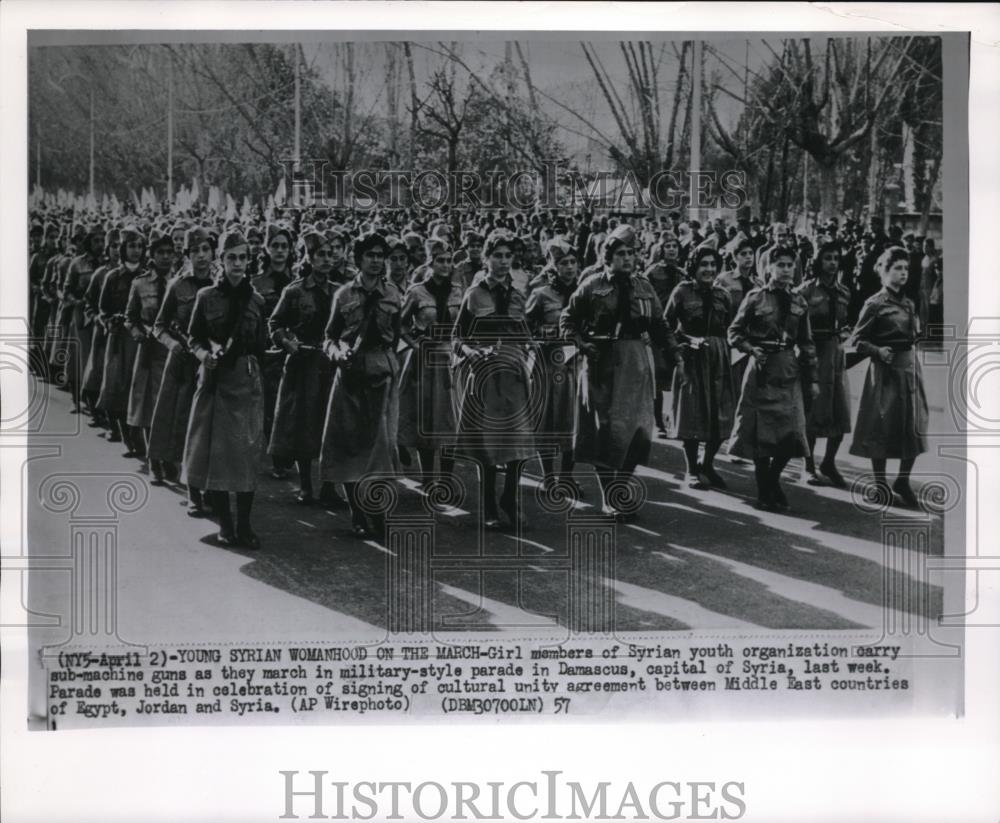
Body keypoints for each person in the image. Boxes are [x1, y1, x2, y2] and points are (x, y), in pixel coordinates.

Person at [560, 225, 682, 519]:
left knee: (639, 432)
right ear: (608, 257)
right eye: (621, 254)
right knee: (607, 432)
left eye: (631, 253)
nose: (627, 259)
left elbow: (660, 325)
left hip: (637, 363)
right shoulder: (592, 285)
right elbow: (567, 319)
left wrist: (676, 355)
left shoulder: (644, 286)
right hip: (602, 365)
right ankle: (610, 498)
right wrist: (582, 344)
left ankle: (620, 487)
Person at [182, 230, 268, 549]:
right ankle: (226, 525)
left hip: (246, 383)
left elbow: (260, 346)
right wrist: (206, 356)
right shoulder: (206, 298)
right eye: (231, 257)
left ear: (249, 260)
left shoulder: (257, 301)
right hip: (216, 383)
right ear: (221, 260)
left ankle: (244, 525)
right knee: (217, 455)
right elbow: (193, 338)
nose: (237, 263)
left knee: (245, 455)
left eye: (243, 257)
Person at [452, 228, 537, 529]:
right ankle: (489, 506)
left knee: (517, 444)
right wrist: (470, 352)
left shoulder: (518, 295)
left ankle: (509, 500)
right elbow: (457, 337)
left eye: (508, 256)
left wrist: (530, 350)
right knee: (487, 445)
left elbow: (525, 333)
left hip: (513, 376)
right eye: (497, 255)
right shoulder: (473, 295)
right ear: (486, 259)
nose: (503, 261)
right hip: (485, 376)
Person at [320, 232, 402, 538]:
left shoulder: (393, 294)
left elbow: (395, 335)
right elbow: (329, 336)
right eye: (371, 255)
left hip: (381, 375)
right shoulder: (344, 295)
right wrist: (338, 352)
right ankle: (356, 511)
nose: (377, 260)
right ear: (359, 259)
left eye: (381, 255)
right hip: (351, 375)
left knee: (381, 446)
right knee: (350, 445)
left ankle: (378, 512)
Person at [727, 245, 818, 511]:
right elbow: (734, 332)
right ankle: (765, 490)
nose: (787, 270)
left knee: (790, 434)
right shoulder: (756, 298)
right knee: (761, 435)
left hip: (788, 370)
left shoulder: (800, 301)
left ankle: (772, 481)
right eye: (781, 265)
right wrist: (751, 349)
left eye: (791, 265)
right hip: (761, 369)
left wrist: (812, 379)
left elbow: (807, 343)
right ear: (768, 267)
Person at [848, 246, 929, 508]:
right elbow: (857, 340)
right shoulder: (874, 304)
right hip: (884, 371)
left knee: (914, 425)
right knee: (879, 427)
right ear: (884, 271)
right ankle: (880, 483)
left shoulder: (908, 302)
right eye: (897, 268)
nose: (903, 273)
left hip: (908, 368)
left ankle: (902, 481)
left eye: (906, 268)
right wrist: (877, 350)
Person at [268, 229, 339, 507]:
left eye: (330, 254)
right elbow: (274, 324)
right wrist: (288, 343)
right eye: (320, 254)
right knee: (304, 425)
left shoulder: (338, 291)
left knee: (330, 424)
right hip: (303, 364)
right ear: (308, 258)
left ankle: (330, 486)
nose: (325, 259)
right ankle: (307, 485)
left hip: (330, 364)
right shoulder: (295, 290)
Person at [149, 227, 217, 511]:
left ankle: (204, 487)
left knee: (205, 429)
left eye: (205, 250)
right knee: (175, 422)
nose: (201, 256)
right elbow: (159, 326)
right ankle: (172, 473)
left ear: (214, 253)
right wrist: (171, 345)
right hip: (181, 364)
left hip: (209, 367)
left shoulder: (220, 286)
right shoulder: (178, 286)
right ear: (187, 255)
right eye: (195, 252)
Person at [663, 246, 735, 489]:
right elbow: (666, 327)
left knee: (720, 413)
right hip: (691, 360)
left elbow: (729, 327)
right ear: (694, 267)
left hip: (719, 358)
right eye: (704, 264)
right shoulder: (681, 292)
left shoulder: (723, 295)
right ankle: (691, 470)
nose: (709, 269)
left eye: (713, 265)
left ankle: (707, 463)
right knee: (692, 414)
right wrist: (685, 342)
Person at [397, 236, 464, 487]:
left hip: (451, 360)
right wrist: (415, 345)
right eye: (440, 261)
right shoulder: (416, 292)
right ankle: (427, 478)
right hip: (424, 362)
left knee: (449, 420)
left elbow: (465, 325)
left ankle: (446, 479)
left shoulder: (459, 292)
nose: (445, 266)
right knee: (426, 419)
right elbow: (401, 326)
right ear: (430, 262)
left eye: (449, 261)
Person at [525, 238, 581, 494]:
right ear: (553, 266)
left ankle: (567, 477)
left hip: (577, 365)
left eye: (573, 262)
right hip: (548, 365)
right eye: (563, 263)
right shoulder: (541, 294)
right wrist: (541, 337)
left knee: (573, 421)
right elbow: (524, 329)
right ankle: (549, 477)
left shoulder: (584, 292)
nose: (570, 267)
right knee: (548, 421)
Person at [795, 241, 852, 487]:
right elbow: (794, 326)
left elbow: (844, 321)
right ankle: (807, 466)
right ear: (819, 261)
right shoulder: (805, 291)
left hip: (836, 355)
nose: (832, 263)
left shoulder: (844, 292)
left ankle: (828, 462)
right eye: (827, 258)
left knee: (840, 411)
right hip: (813, 355)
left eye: (836, 259)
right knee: (812, 412)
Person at [124, 232, 174, 482]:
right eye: (160, 252)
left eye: (169, 252)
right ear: (151, 255)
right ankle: (154, 462)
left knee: (173, 408)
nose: (165, 257)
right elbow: (130, 318)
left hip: (176, 353)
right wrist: (138, 332)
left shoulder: (181, 283)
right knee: (150, 409)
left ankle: (171, 458)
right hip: (150, 353)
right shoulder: (140, 284)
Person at [97, 227, 147, 454]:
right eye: (131, 246)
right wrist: (110, 322)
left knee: (140, 390)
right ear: (123, 248)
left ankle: (141, 440)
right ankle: (126, 438)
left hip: (141, 340)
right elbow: (102, 310)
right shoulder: (112, 277)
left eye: (139, 246)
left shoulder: (149, 275)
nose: (135, 251)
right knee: (117, 388)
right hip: (119, 341)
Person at [253, 224, 295, 479]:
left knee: (290, 404)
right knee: (270, 404)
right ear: (267, 249)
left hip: (292, 348)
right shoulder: (257, 282)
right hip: (267, 350)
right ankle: (277, 456)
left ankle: (287, 450)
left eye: (284, 246)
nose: (279, 251)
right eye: (275, 245)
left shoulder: (297, 279)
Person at [643, 231, 685, 435]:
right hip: (657, 327)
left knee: (675, 374)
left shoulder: (682, 273)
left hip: (677, 329)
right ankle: (658, 421)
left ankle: (674, 416)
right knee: (658, 375)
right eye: (667, 246)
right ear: (660, 249)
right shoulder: (652, 272)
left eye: (674, 246)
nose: (671, 249)